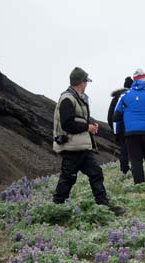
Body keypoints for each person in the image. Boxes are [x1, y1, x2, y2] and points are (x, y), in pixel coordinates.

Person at [52, 67, 124, 215]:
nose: (86, 85)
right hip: (71, 147)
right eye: (86, 82)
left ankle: (104, 207)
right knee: (67, 179)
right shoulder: (67, 99)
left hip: (82, 146)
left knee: (96, 173)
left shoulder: (78, 98)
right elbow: (67, 124)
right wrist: (87, 127)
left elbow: (80, 118)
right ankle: (55, 210)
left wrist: (91, 123)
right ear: (80, 82)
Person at [113, 68, 145, 188]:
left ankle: (140, 187)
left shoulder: (124, 95)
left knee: (136, 161)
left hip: (130, 134)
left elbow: (116, 115)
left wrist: (117, 134)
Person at [107, 76, 133, 175]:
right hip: (131, 128)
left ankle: (124, 170)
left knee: (123, 149)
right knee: (134, 149)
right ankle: (135, 169)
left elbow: (110, 116)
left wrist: (115, 129)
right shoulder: (132, 96)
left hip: (120, 129)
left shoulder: (116, 98)